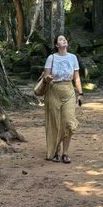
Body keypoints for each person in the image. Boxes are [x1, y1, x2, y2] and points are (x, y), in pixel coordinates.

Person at [43, 34, 83, 163]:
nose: (64, 40)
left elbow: (76, 77)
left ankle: (65, 153)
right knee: (55, 123)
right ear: (56, 45)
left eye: (65, 39)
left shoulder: (73, 58)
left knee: (68, 122)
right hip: (53, 91)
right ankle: (55, 152)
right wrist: (47, 78)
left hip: (69, 91)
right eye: (60, 39)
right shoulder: (51, 58)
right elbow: (46, 76)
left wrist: (80, 93)